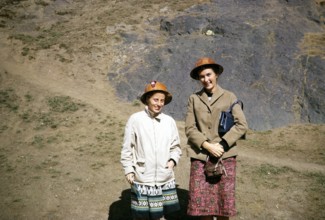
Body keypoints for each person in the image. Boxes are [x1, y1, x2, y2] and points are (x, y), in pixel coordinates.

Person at [185, 57, 248, 220]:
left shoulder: (229, 96)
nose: (206, 79)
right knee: (203, 208)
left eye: (208, 75)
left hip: (225, 156)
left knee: (223, 205)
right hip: (200, 156)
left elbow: (241, 125)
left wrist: (221, 145)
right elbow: (189, 128)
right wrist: (207, 145)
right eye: (202, 77)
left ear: (216, 74)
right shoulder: (194, 98)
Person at [121, 80, 182, 220]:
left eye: (162, 100)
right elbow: (127, 147)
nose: (159, 103)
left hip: (164, 177)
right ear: (147, 99)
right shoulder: (135, 120)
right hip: (142, 177)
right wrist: (129, 169)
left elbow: (176, 147)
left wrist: (172, 161)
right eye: (155, 99)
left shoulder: (169, 121)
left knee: (160, 217)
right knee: (141, 217)